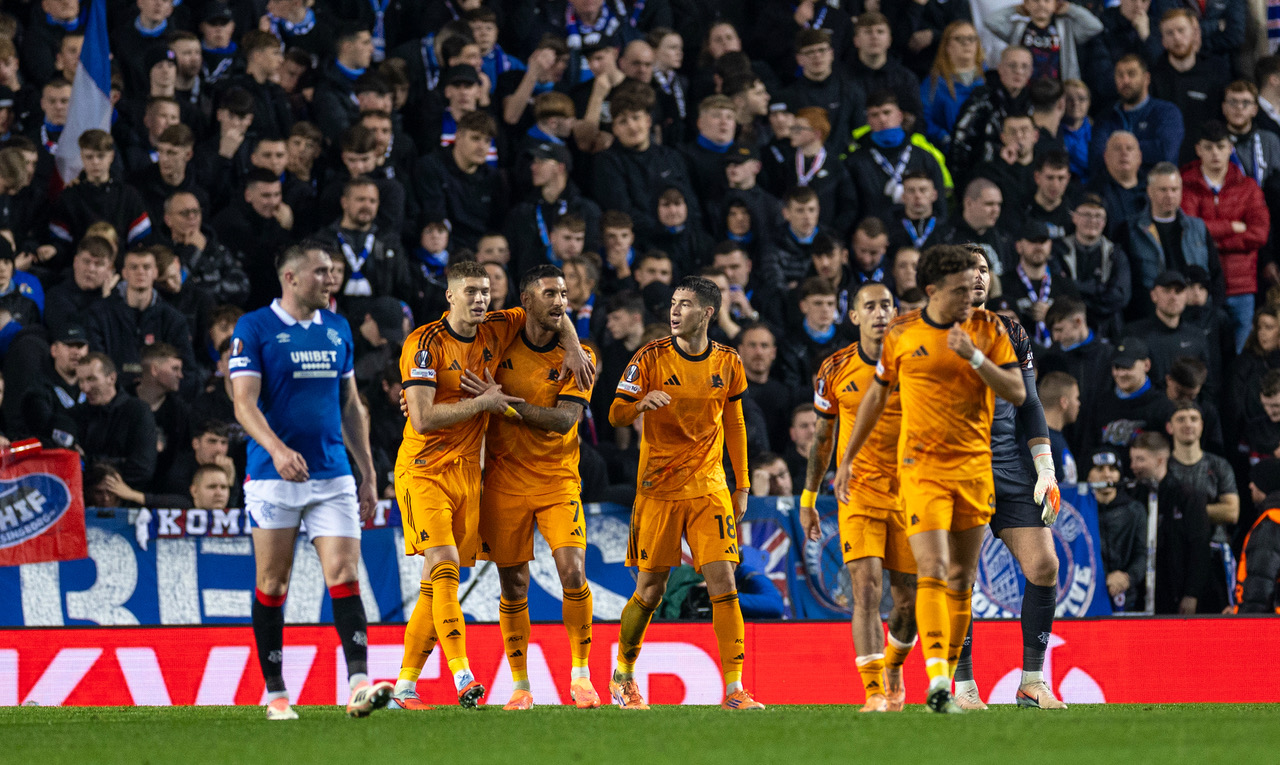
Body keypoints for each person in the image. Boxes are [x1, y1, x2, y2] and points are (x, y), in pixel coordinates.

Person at [835, 244, 1025, 713]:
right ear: (932, 290)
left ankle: (935, 670)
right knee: (933, 570)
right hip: (920, 472)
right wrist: (848, 458)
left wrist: (975, 358)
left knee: (962, 578)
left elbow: (1018, 392)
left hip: (974, 470)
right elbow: (876, 397)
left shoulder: (989, 329)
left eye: (973, 287)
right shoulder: (902, 333)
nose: (970, 296)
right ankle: (939, 681)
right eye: (959, 289)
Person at [394, 261, 591, 710]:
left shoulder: (495, 329)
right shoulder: (424, 343)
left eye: (485, 291)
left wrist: (575, 347)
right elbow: (421, 418)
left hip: (468, 474)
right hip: (424, 469)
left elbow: (554, 312)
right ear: (450, 296)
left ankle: (405, 686)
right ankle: (463, 675)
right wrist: (484, 403)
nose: (480, 299)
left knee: (434, 583)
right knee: (445, 566)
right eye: (470, 291)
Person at [229, 242, 391, 721]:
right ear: (291, 277)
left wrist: (366, 472)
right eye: (320, 271)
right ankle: (276, 693)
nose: (330, 278)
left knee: (344, 573)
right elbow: (243, 403)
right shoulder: (254, 327)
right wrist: (277, 451)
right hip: (272, 476)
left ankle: (359, 684)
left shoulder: (337, 328)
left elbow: (350, 405)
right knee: (272, 582)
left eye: (332, 271)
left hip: (332, 473)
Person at [607, 275, 763, 711]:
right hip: (658, 490)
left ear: (707, 313)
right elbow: (614, 414)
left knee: (724, 583)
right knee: (650, 591)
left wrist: (743, 484)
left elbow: (735, 424)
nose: (675, 311)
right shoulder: (650, 357)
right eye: (674, 303)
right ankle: (622, 675)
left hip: (709, 487)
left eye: (685, 304)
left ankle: (734, 689)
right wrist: (639, 404)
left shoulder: (728, 362)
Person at [472, 265, 601, 710]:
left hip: (557, 479)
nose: (560, 300)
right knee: (513, 586)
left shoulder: (580, 356)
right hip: (504, 481)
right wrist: (415, 395)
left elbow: (564, 420)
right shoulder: (498, 339)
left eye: (563, 293)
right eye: (549, 293)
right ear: (525, 301)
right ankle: (521, 686)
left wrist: (506, 407)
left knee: (574, 572)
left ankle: (581, 676)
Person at [953, 250, 1065, 710]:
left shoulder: (1011, 331)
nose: (978, 277)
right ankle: (963, 686)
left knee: (1045, 566)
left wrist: (1045, 468)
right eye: (968, 269)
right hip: (959, 469)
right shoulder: (929, 333)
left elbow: (1031, 403)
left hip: (1010, 468)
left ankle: (1032, 682)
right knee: (960, 576)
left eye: (983, 269)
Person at [801, 281, 918, 713]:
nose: (880, 313)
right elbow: (823, 436)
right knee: (865, 590)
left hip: (910, 493)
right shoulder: (834, 368)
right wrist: (808, 497)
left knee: (908, 602)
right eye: (870, 306)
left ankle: (894, 665)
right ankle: (873, 692)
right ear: (853, 316)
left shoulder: (915, 362)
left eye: (887, 305)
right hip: (858, 493)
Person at [1179, 121, 1270, 352]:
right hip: (1202, 287)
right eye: (1208, 147)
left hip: (1241, 287)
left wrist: (1212, 240)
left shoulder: (1248, 187)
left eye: (1220, 146)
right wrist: (1232, 226)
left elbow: (1259, 234)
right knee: (1204, 352)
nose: (1215, 153)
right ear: (1198, 149)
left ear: (1230, 148)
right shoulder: (1185, 185)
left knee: (1239, 353)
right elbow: (1189, 230)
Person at [1165, 399, 1238, 612]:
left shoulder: (1219, 466)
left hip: (1214, 557)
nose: (1188, 424)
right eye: (1181, 419)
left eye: (1194, 419)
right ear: (1169, 427)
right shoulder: (1164, 467)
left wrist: (1185, 513)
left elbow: (1232, 512)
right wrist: (1207, 512)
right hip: (1172, 558)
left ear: (1202, 425)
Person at [1128, 432, 1210, 615]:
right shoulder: (1132, 498)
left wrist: (1192, 593)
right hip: (1139, 595)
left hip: (1175, 593)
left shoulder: (1187, 496)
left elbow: (1199, 547)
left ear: (1160, 460)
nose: (1133, 466)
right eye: (1132, 459)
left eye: (1140, 459)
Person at [949, 46, 1032, 187]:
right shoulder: (982, 99)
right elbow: (960, 142)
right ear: (1000, 68)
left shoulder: (1032, 103)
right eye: (1012, 66)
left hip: (1020, 179)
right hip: (983, 178)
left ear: (1031, 72)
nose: (1019, 71)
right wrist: (962, 185)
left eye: (1024, 67)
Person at [75, 352, 158, 491]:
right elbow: (74, 464)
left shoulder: (138, 411)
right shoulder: (76, 414)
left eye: (91, 379)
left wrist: (89, 462)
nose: (85, 388)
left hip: (129, 497)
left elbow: (142, 468)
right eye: (80, 381)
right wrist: (119, 462)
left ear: (112, 378)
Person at [1090, 54, 1183, 172]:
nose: (1125, 80)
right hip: (1113, 183)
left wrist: (1116, 151)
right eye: (1120, 75)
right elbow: (1097, 158)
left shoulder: (1167, 112)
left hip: (1154, 182)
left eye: (1131, 74)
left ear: (1146, 78)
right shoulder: (1105, 118)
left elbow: (1165, 152)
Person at [1056, 194, 1130, 338]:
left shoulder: (1116, 254)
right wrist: (1099, 289)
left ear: (1105, 222)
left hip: (1107, 330)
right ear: (1074, 217)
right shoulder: (1059, 250)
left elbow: (1120, 297)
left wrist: (1076, 288)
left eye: (1098, 216)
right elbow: (1059, 290)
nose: (1093, 221)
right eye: (1087, 215)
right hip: (1068, 328)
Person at [1088, 447, 1147, 612]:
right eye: (1099, 469)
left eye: (1112, 469)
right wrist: (1104, 578)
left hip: (1128, 598)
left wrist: (1127, 578)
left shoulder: (1135, 510)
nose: (1107, 475)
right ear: (1088, 475)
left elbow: (1142, 553)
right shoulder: (1079, 513)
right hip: (1085, 597)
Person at [984, 0, 1103, 81]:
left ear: (1056, 4)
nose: (1041, 4)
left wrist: (1069, 8)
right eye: (1035, 1)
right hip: (1025, 90)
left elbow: (1095, 26)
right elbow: (991, 21)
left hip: (1058, 91)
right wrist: (1016, 9)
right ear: (1026, 4)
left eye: (1047, 1)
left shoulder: (1066, 29)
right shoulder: (1018, 28)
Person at [920, 21, 986, 152]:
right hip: (948, 151)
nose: (966, 43)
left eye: (971, 39)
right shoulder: (933, 84)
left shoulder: (989, 79)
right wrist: (944, 138)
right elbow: (924, 119)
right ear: (947, 46)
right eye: (959, 39)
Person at [1235, 458, 1280, 613]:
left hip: (1270, 622)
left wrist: (1245, 617)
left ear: (1266, 484)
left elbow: (1260, 589)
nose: (1251, 485)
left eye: (1256, 481)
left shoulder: (1271, 525)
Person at [1039, 371, 1080, 483]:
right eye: (1076, 398)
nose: (1078, 404)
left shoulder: (1056, 438)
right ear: (1064, 402)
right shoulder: (1040, 444)